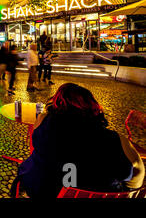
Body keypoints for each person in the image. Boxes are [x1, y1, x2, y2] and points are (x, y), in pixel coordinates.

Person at [11, 83, 145, 198]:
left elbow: (38, 140)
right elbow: (137, 173)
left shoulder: (43, 121)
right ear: (94, 107)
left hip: (43, 191)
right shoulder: (117, 140)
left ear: (57, 104)